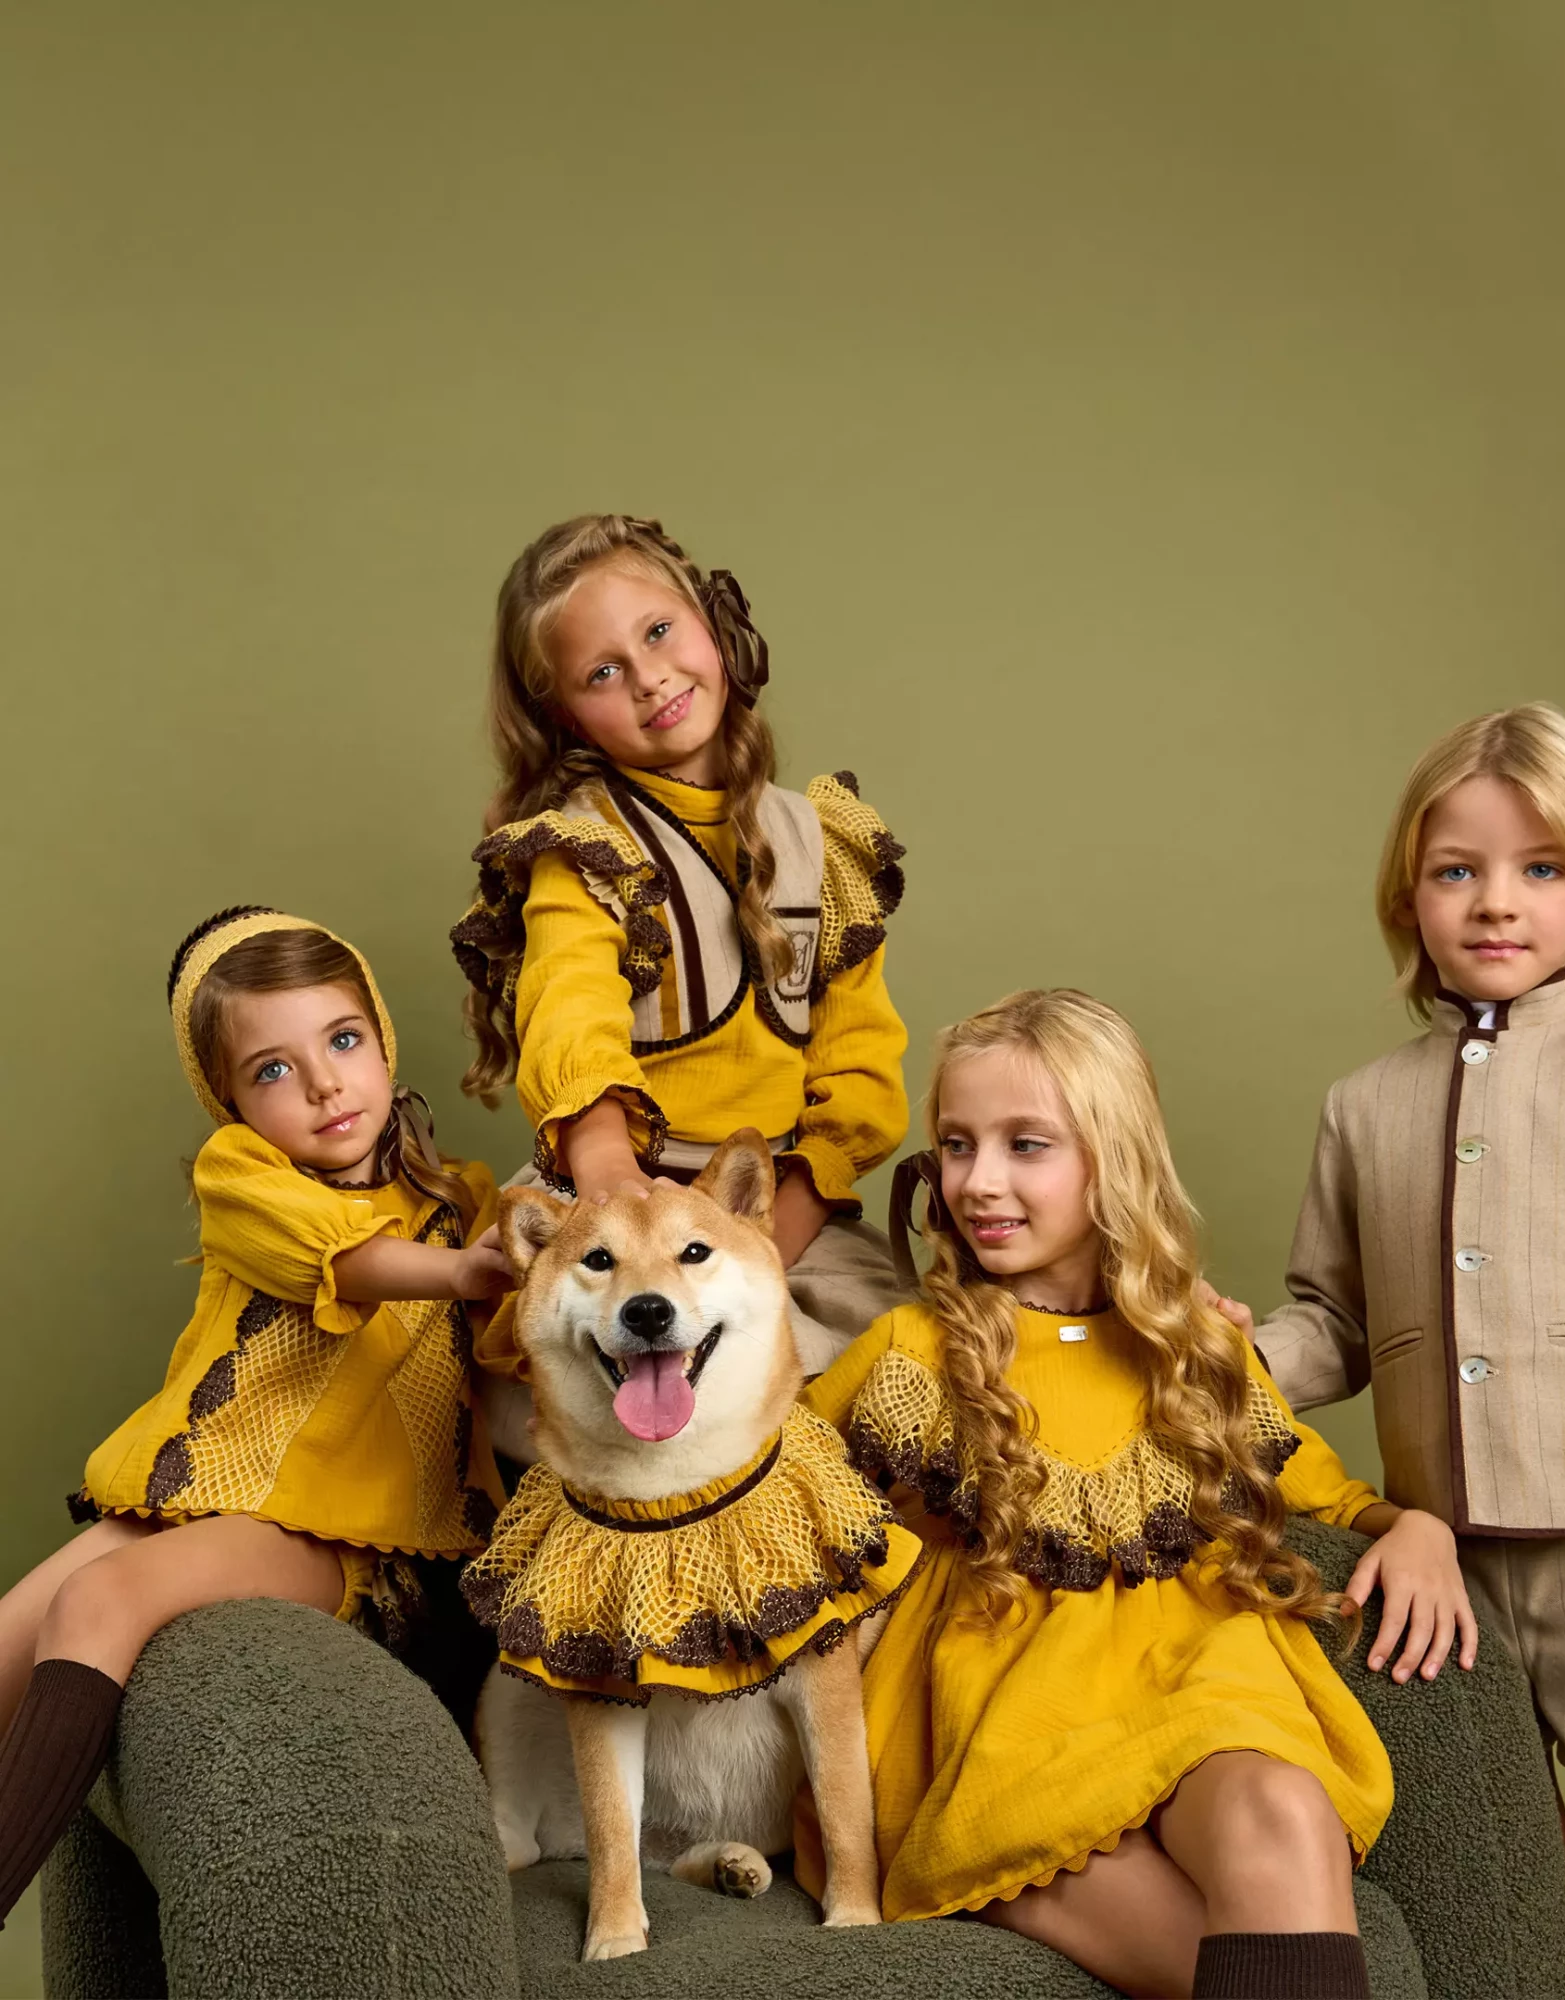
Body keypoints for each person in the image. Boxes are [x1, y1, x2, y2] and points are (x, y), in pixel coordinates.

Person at [1241, 704, 1565, 2000]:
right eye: (1455, 870)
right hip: (1447, 1566)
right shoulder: (1363, 1105)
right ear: (1407, 896)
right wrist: (1220, 1358)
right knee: (1493, 1874)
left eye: (1539, 867)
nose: (1495, 900)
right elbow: (1332, 1321)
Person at [798, 988, 1474, 1999]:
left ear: (1112, 1160)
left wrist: (1417, 1527)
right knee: (1246, 1968)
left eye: (1027, 1145)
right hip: (1004, 1741)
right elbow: (766, 1498)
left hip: (1194, 1692)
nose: (979, 1181)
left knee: (1285, 1810)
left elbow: (1327, 1494)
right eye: (956, 1145)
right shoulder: (911, 1352)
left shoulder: (1195, 1351)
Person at [0, 906, 510, 1925]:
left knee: (98, 1602)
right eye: (273, 1069)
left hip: (361, 1537)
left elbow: (514, 1350)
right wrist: (463, 1272)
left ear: (381, 1038)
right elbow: (343, 1257)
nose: (325, 1084)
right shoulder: (241, 1176)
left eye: (343, 1040)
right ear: (228, 1099)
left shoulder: (466, 1203)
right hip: (204, 1490)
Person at [452, 513, 909, 1397]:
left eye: (659, 631)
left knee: (884, 1372)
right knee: (542, 1379)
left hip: (771, 1206)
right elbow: (568, 1009)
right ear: (565, 714)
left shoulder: (819, 841)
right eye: (603, 672)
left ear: (712, 620)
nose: (650, 676)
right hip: (619, 1203)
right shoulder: (582, 848)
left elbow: (859, 1069)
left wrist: (766, 1236)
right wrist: (609, 1177)